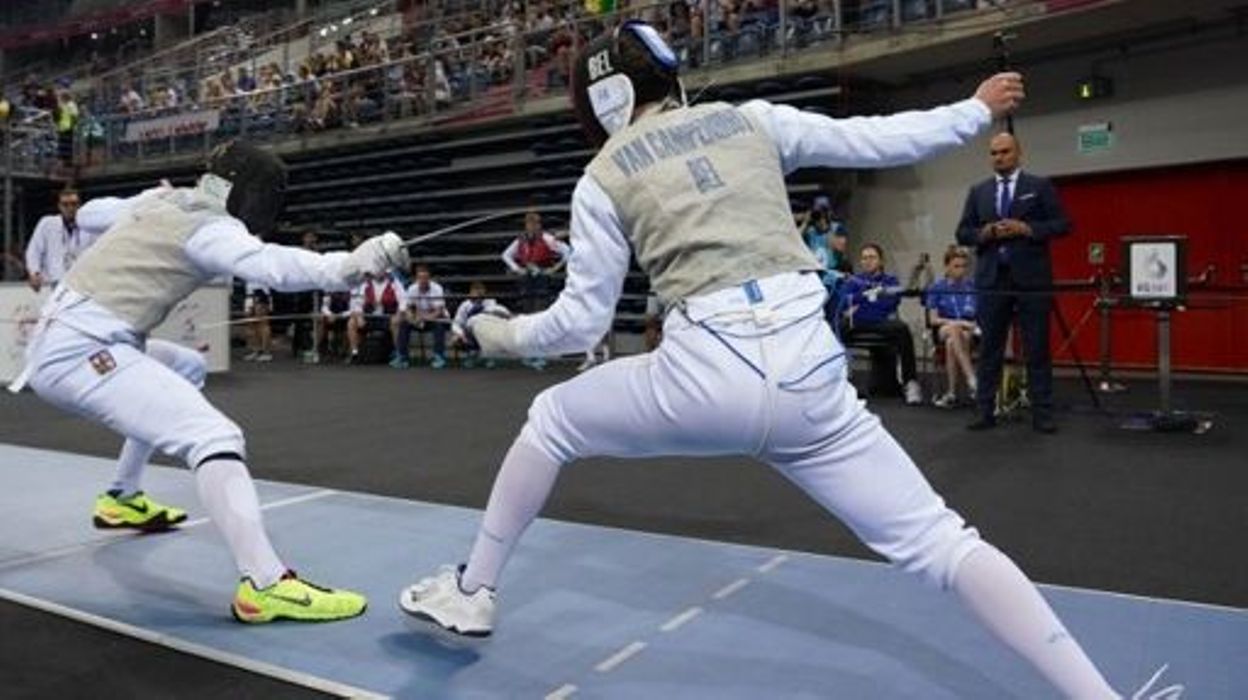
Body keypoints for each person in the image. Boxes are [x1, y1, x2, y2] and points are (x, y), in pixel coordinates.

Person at [399, 22, 1118, 698]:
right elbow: (875, 139)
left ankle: (472, 592)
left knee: (553, 418)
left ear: (605, 102)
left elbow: (578, 324)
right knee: (942, 542)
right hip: (812, 379)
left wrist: (495, 333)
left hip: (704, 377)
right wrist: (973, 110)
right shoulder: (753, 119)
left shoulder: (601, 177)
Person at [24, 141, 408, 622]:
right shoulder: (211, 228)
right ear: (248, 192)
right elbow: (271, 264)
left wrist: (142, 201)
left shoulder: (164, 200)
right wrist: (351, 265)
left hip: (67, 338)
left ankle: (121, 498)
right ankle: (265, 584)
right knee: (214, 436)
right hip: (84, 352)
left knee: (186, 367)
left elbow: (92, 214)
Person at [955, 132, 1071, 434]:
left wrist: (1027, 228)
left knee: (1037, 348)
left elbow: (1062, 225)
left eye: (1005, 152)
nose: (999, 158)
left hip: (1031, 280)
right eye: (994, 153)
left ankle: (1042, 413)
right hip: (992, 280)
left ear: (1018, 153)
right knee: (990, 348)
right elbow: (963, 232)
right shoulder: (978, 191)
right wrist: (986, 233)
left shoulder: (1039, 186)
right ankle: (984, 411)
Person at [841, 243, 924, 405]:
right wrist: (868, 299)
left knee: (902, 328)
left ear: (881, 261)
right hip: (858, 323)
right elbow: (844, 302)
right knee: (836, 327)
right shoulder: (854, 280)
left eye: (872, 257)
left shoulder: (890, 280)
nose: (867, 261)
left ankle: (910, 383)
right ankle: (842, 384)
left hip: (880, 323)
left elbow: (890, 303)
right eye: (864, 258)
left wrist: (861, 303)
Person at [501, 208, 570, 370]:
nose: (531, 226)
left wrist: (555, 268)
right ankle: (530, 353)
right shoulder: (520, 240)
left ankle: (541, 354)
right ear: (526, 225)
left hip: (542, 280)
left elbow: (568, 251)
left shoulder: (547, 238)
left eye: (535, 223)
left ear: (539, 225)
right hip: (526, 281)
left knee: (540, 317)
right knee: (526, 317)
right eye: (529, 223)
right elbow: (505, 255)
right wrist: (517, 269)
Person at [925, 246, 979, 408]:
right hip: (943, 328)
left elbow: (979, 318)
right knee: (954, 330)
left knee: (951, 343)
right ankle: (971, 378)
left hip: (969, 331)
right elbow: (933, 319)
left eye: (964, 266)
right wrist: (957, 323)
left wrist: (965, 325)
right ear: (947, 266)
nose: (961, 270)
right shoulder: (937, 287)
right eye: (956, 266)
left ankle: (951, 393)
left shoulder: (973, 287)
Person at [25, 188, 93, 293]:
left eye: (74, 204)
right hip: (55, 282)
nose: (70, 208)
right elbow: (34, 251)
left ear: (79, 205)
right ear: (59, 206)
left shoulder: (90, 225)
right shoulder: (47, 223)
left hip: (82, 283)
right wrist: (35, 273)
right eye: (65, 204)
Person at [393, 265, 450, 369]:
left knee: (439, 325)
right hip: (419, 318)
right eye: (420, 278)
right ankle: (402, 357)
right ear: (416, 279)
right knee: (404, 324)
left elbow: (438, 311)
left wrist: (424, 317)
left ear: (429, 278)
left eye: (425, 278)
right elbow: (408, 307)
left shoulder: (437, 288)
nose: (423, 281)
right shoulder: (412, 288)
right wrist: (411, 317)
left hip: (435, 318)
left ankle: (439, 356)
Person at [450, 280, 511, 368]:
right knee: (456, 340)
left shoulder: (490, 302)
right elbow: (455, 324)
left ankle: (489, 356)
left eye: (480, 294)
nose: (478, 296)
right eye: (475, 294)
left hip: (485, 332)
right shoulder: (465, 305)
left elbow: (500, 314)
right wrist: (460, 334)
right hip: (470, 333)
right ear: (470, 293)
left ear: (484, 293)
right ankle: (471, 355)